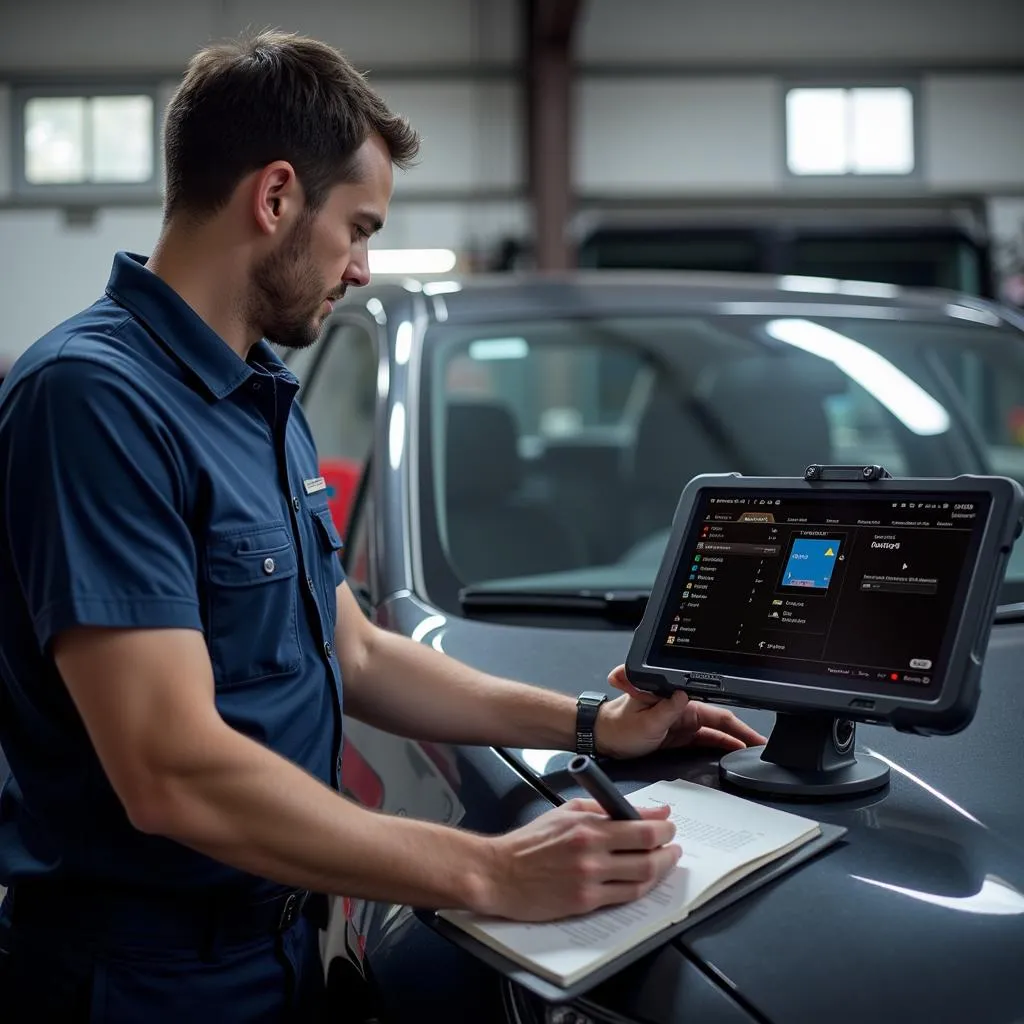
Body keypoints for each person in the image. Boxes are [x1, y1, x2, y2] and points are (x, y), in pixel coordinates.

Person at [0, 30, 764, 1023]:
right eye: (357, 228)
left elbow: (352, 648)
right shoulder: (93, 400)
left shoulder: (258, 394)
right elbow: (169, 769)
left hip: (270, 949)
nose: (361, 268)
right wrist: (485, 870)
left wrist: (589, 721)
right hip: (138, 982)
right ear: (275, 198)